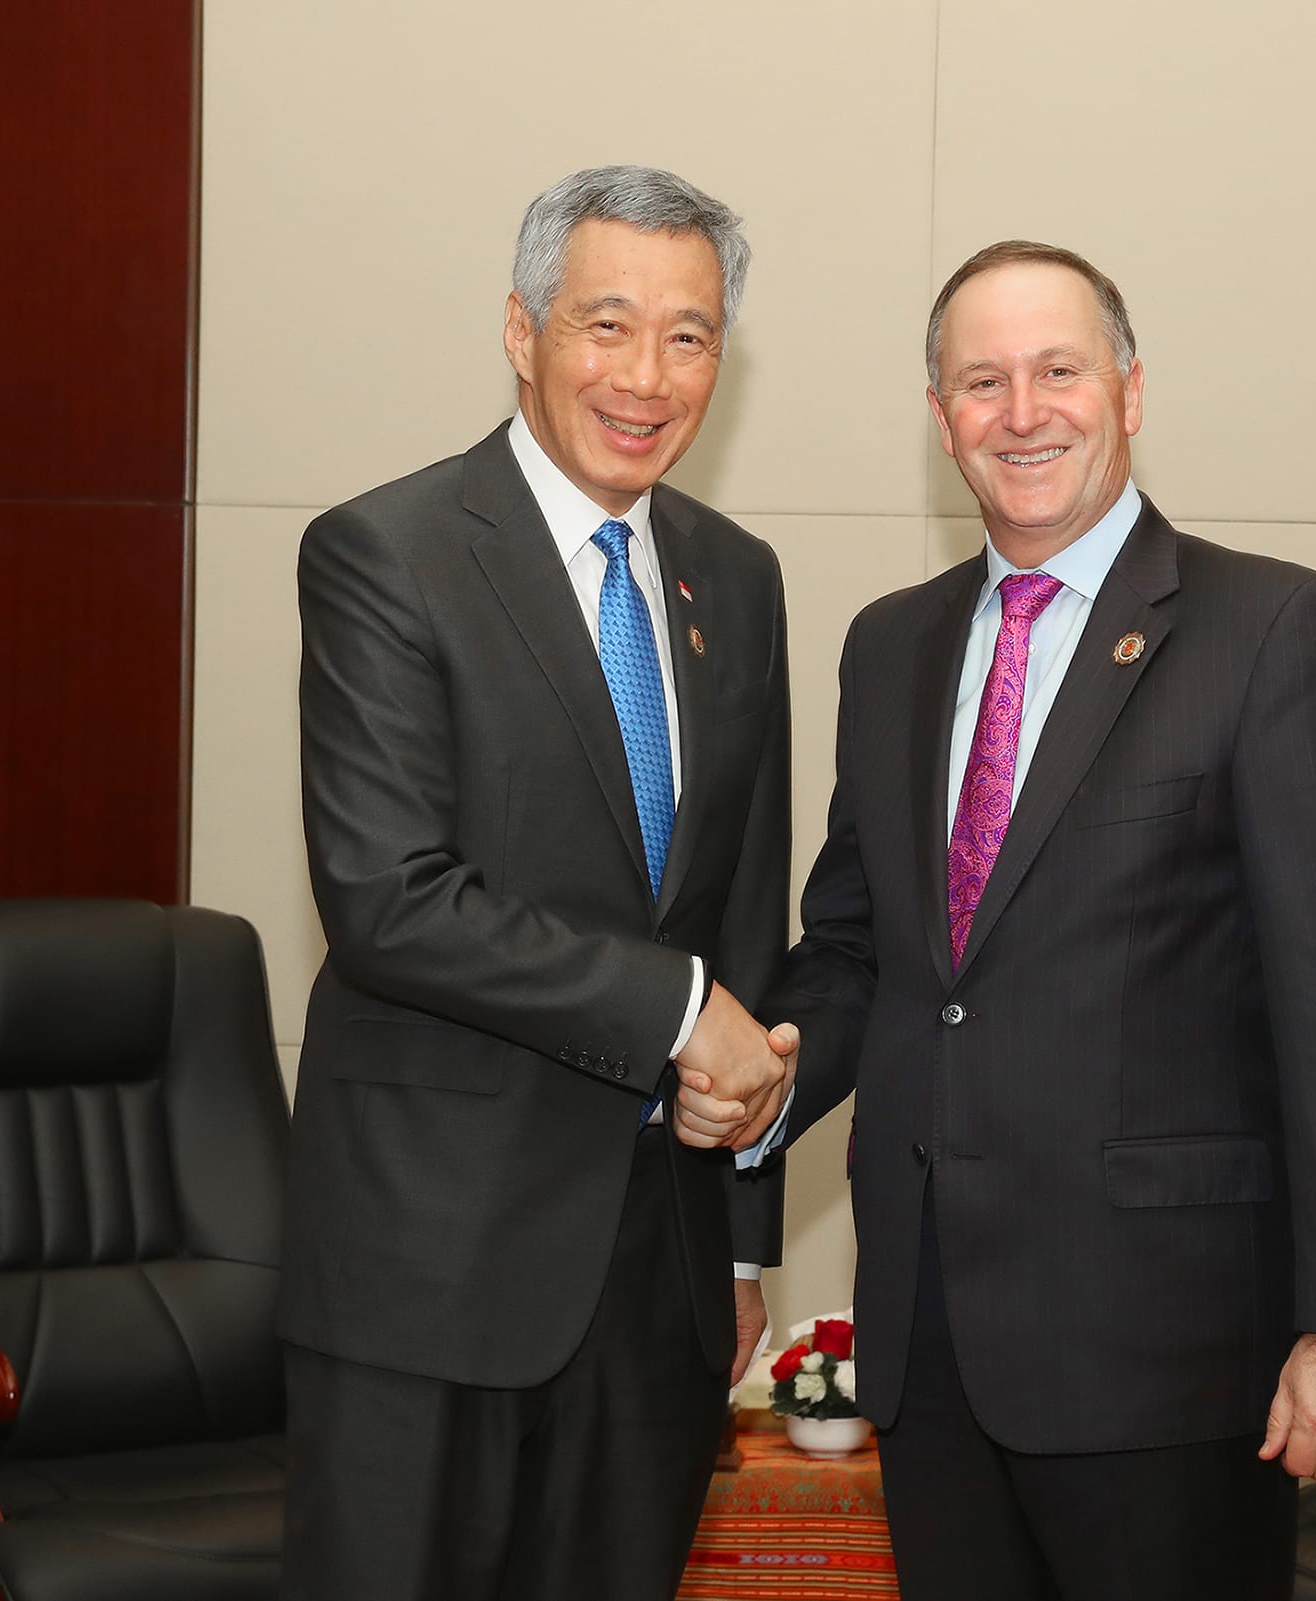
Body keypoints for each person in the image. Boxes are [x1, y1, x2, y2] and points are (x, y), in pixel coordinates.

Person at [698, 240, 1316, 1598]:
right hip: (930, 1343)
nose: (1021, 410)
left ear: (1130, 391)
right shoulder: (891, 646)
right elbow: (861, 951)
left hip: (1164, 1348)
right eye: (982, 381)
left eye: (1057, 370)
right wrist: (754, 1072)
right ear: (941, 419)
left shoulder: (1268, 631)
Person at [278, 165, 797, 1601]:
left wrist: (746, 1233)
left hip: (664, 1286)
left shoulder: (736, 580)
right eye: (607, 323)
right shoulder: (390, 554)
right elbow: (389, 895)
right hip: (430, 1270)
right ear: (522, 330)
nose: (647, 375)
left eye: (689, 336)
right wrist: (680, 1010)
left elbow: (741, 913)